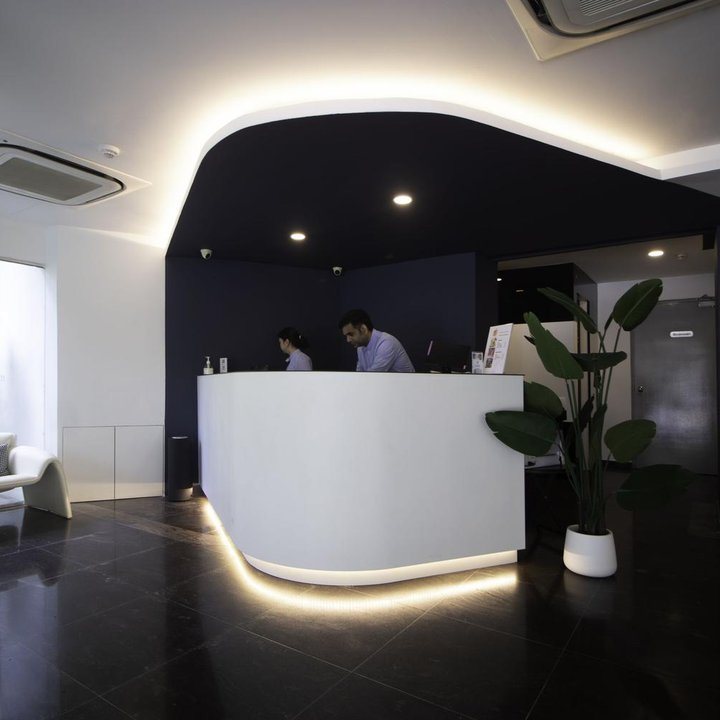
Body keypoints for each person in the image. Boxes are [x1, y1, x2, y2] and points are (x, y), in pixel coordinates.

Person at [338, 308, 414, 372]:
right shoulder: (360, 346)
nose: (348, 340)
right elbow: (360, 375)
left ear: (363, 329)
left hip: (406, 385)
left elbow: (373, 378)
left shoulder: (386, 343)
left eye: (351, 334)